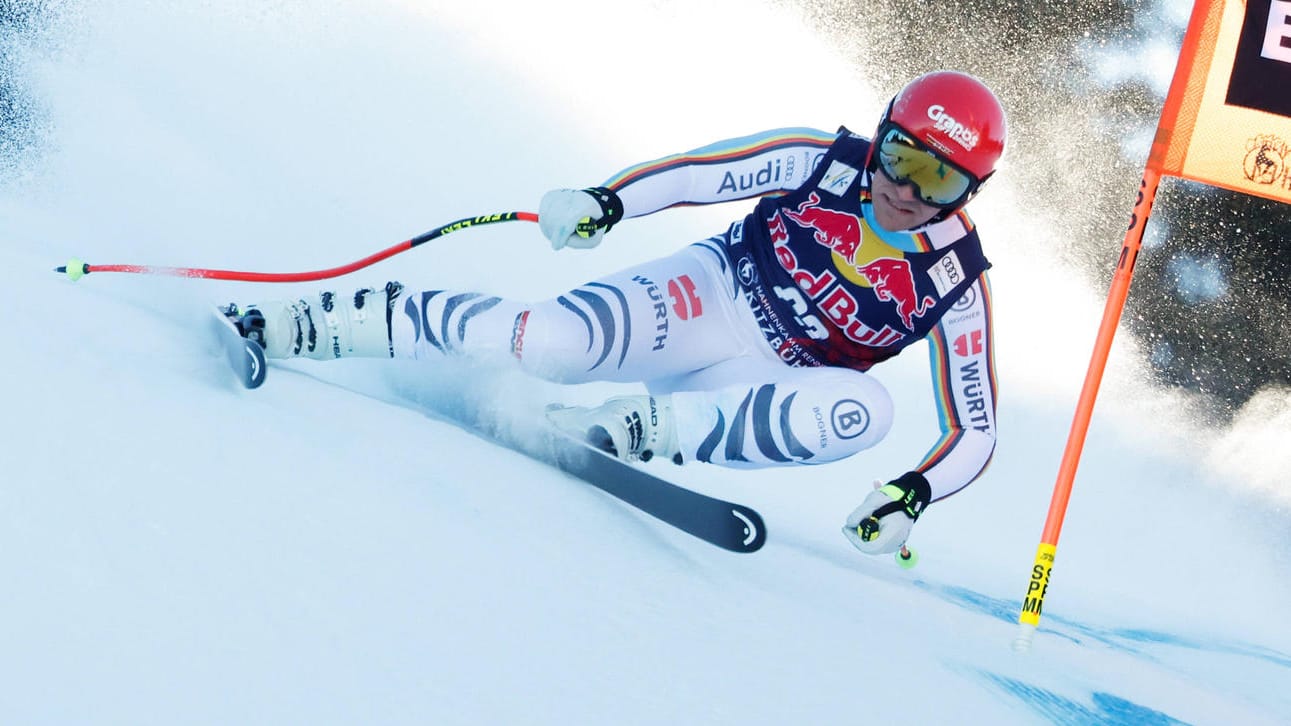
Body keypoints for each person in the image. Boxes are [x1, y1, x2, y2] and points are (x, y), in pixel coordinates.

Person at [224, 70, 1005, 558]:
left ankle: (630, 430)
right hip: (709, 293)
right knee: (548, 344)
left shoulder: (953, 279)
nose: (906, 189)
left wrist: (914, 492)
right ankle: (316, 321)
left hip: (757, 384)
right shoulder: (820, 161)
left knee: (864, 411)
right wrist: (609, 202)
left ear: (970, 191)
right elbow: (701, 176)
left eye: (937, 181)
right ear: (881, 133)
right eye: (901, 157)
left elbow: (975, 429)